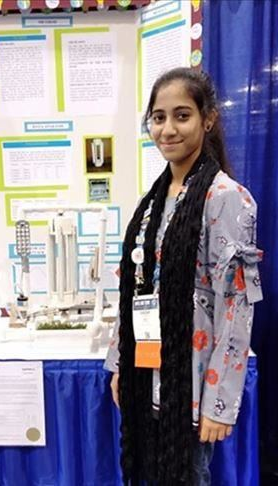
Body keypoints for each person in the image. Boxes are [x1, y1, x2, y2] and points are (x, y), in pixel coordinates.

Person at [105, 67, 263, 485]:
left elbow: (237, 305)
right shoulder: (152, 203)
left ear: (207, 119)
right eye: (158, 118)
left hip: (192, 385)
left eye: (182, 115)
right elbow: (136, 289)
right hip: (147, 375)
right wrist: (122, 364)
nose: (168, 129)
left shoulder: (227, 198)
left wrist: (219, 402)